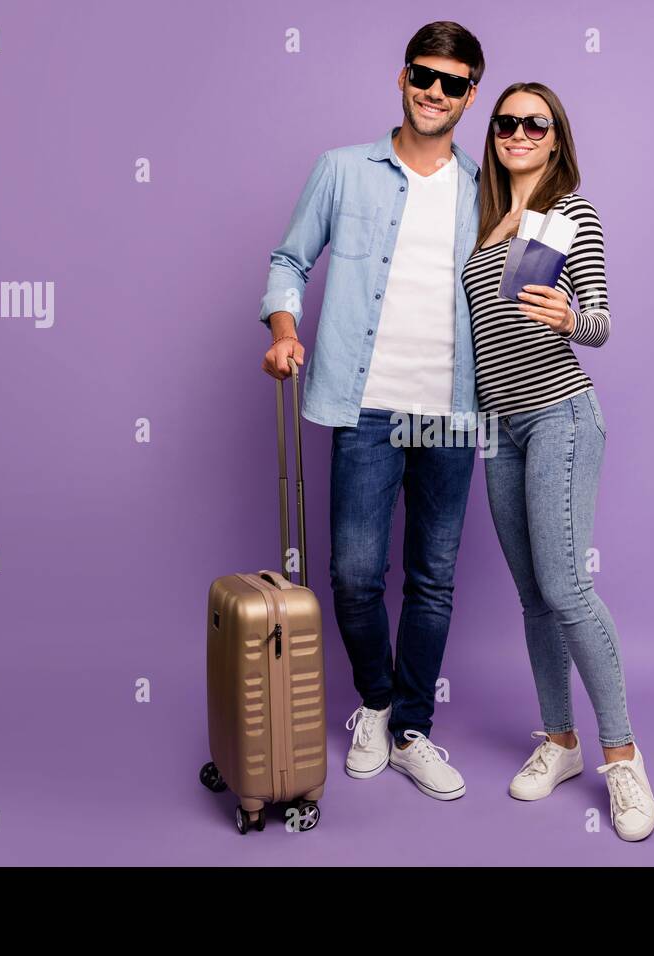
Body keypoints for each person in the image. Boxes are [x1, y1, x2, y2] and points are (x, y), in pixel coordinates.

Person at [258, 22, 485, 801]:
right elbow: (289, 260)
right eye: (424, 75)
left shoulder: (486, 189)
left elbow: (515, 289)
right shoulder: (342, 170)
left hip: (451, 411)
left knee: (433, 578)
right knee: (355, 575)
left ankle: (413, 729)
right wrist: (284, 331)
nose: (434, 92)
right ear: (402, 77)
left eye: (452, 83)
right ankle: (377, 707)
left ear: (470, 95)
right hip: (366, 405)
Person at [461, 82, 654, 840]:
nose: (518, 132)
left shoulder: (571, 212)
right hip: (497, 428)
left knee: (567, 587)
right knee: (534, 598)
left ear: (555, 137)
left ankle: (623, 759)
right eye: (505, 122)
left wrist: (572, 316)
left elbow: (602, 322)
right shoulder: (482, 221)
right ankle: (561, 741)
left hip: (558, 414)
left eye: (533, 123)